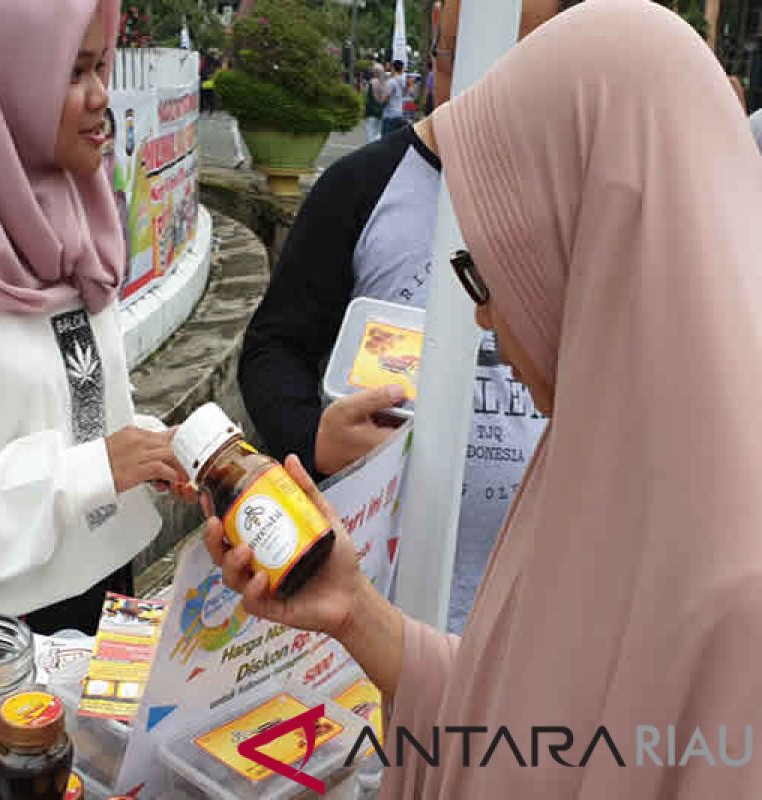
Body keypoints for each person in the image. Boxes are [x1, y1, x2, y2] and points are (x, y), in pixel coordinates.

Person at [211, 1, 762, 796]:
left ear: (595, 241)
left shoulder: (737, 608)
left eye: (489, 267)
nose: (484, 315)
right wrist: (356, 610)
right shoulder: (605, 464)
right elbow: (540, 731)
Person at [238, 0, 574, 635]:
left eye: (525, 53)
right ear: (436, 47)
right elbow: (272, 348)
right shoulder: (361, 187)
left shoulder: (588, 199)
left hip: (540, 614)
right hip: (369, 608)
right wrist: (313, 439)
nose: (494, 82)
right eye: (464, 51)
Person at [0, 0, 190, 636]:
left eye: (103, 66)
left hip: (103, 588)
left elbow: (80, 415)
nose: (102, 98)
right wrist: (94, 472)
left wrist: (165, 452)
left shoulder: (72, 218)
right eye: (73, 72)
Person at [381, 60, 408, 136]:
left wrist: (380, 103)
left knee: (385, 139)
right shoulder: (403, 82)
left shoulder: (391, 82)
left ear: (393, 68)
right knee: (395, 139)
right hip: (399, 112)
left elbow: (386, 97)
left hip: (389, 114)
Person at [363, 65, 386, 144]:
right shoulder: (384, 84)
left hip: (370, 112)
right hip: (381, 112)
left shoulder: (370, 83)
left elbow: (366, 98)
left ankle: (370, 151)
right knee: (378, 134)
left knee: (370, 134)